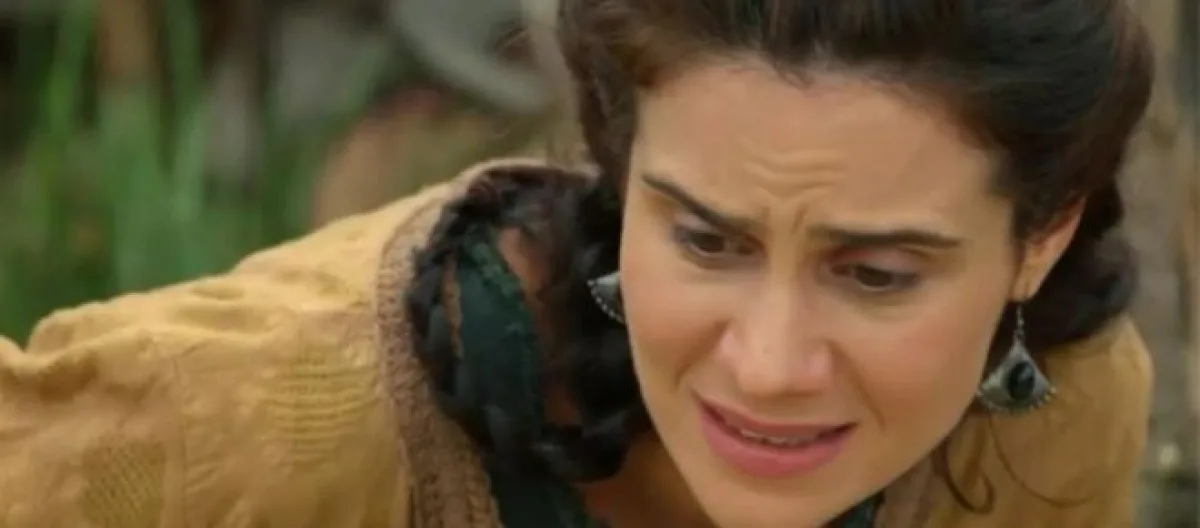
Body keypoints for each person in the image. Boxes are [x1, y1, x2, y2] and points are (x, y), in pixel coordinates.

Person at [0, 1, 1155, 526]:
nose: (768, 367)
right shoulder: (259, 429)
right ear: (618, 166)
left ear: (1039, 241)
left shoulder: (1051, 425)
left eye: (877, 276)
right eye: (705, 241)